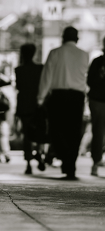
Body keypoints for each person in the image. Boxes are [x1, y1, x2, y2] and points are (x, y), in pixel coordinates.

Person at [37, 26, 89, 180]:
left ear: (63, 38)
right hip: (77, 97)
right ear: (77, 39)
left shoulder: (55, 53)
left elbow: (47, 76)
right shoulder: (84, 55)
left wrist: (40, 98)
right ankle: (70, 165)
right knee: (74, 132)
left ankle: (63, 157)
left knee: (57, 129)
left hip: (58, 97)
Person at [15, 43, 45, 174]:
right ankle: (39, 153)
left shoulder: (19, 70)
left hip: (24, 105)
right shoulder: (40, 68)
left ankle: (28, 163)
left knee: (27, 134)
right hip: (37, 105)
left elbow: (19, 87)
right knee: (39, 131)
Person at [87, 36, 105, 176]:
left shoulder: (97, 61)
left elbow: (89, 81)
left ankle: (95, 163)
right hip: (97, 99)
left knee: (97, 132)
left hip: (97, 99)